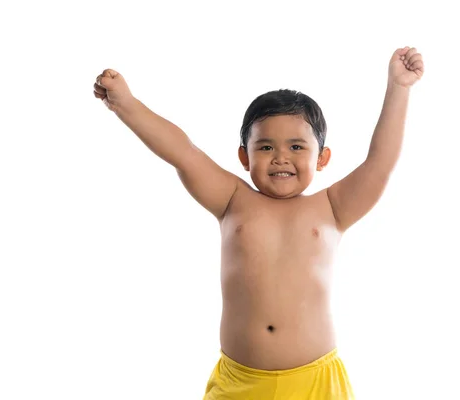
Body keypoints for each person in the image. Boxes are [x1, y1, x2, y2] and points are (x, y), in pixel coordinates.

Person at [93, 46, 424, 399]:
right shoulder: (232, 200)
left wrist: (399, 88)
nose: (281, 156)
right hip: (240, 383)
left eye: (297, 147)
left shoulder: (333, 208)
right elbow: (183, 152)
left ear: (322, 158)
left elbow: (380, 163)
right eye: (265, 147)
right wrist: (125, 104)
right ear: (244, 157)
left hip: (315, 384)